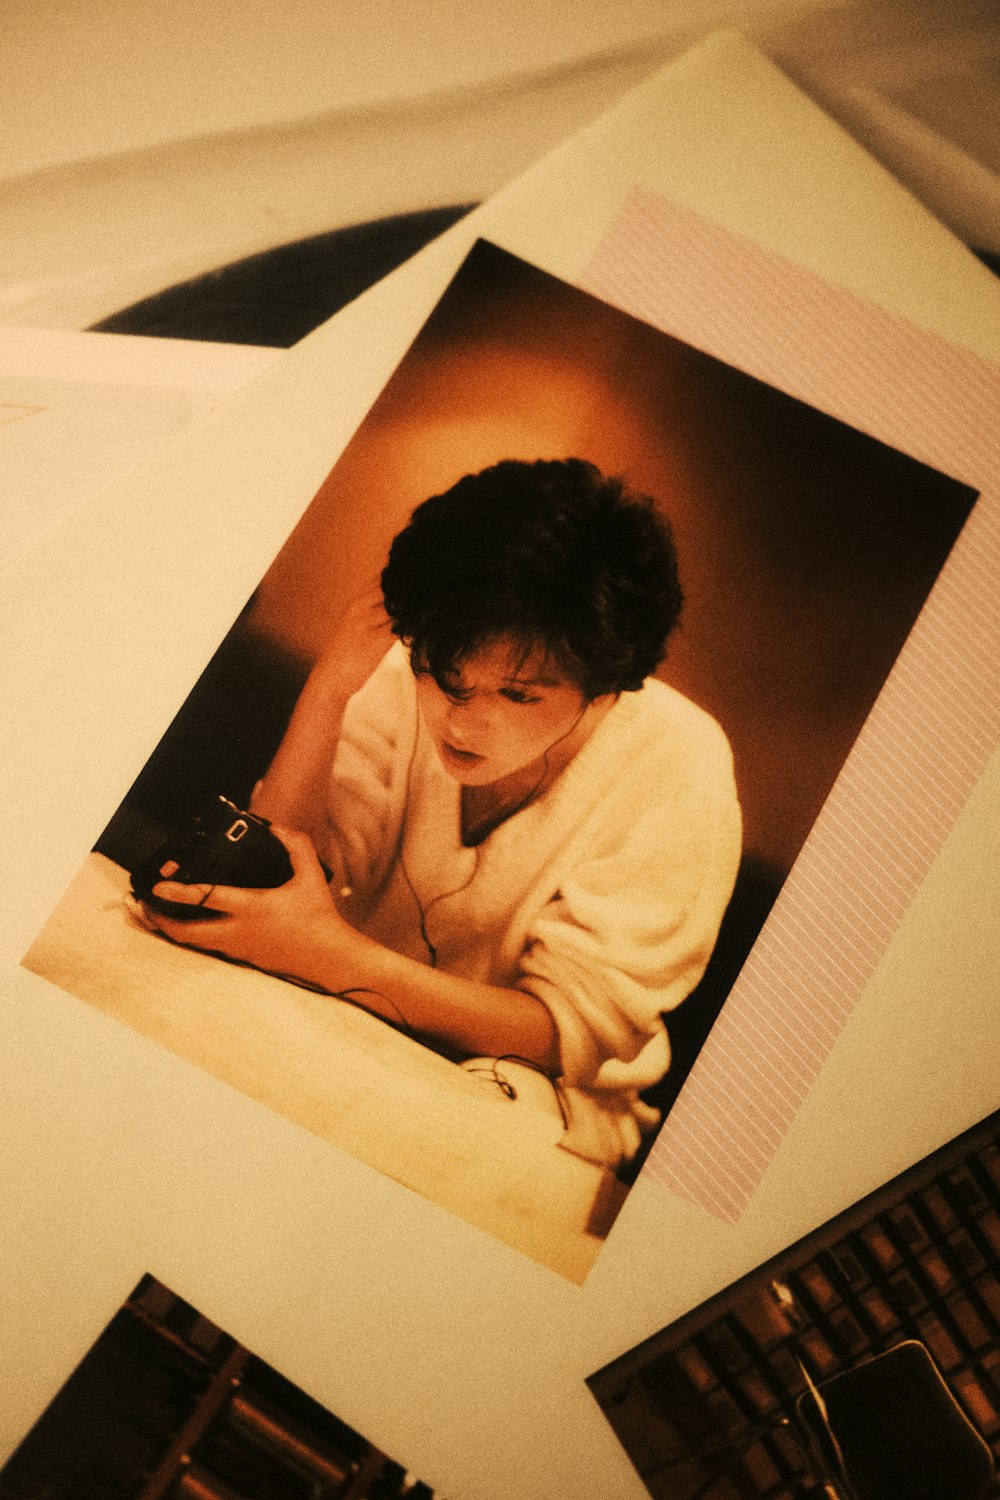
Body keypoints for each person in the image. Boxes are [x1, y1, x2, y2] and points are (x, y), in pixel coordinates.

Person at [140, 458, 742, 1163]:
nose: (464, 723)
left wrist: (332, 957)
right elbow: (283, 866)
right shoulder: (396, 680)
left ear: (605, 686)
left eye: (518, 697)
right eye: (446, 677)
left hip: (535, 1102)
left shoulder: (678, 765)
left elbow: (565, 1033)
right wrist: (332, 685)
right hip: (344, 1020)